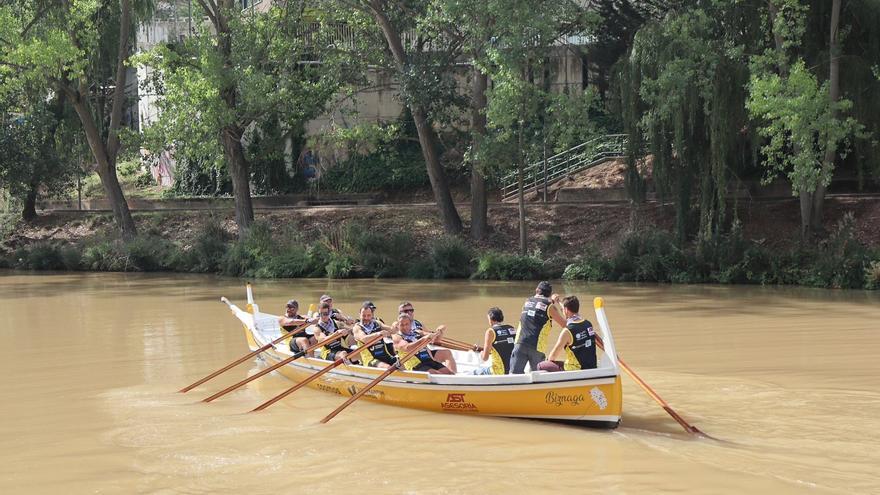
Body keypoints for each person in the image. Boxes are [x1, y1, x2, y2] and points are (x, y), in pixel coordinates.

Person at [509, 281, 567, 374]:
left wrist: (551, 301)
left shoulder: (527, 301)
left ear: (537, 290)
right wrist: (557, 302)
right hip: (537, 347)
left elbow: (537, 306)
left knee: (514, 377)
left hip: (520, 343)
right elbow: (565, 324)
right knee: (538, 378)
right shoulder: (550, 306)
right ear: (549, 293)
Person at [537, 296, 597, 372]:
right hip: (592, 366)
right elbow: (568, 310)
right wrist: (559, 302)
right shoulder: (588, 324)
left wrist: (548, 360)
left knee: (541, 365)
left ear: (565, 310)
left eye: (562, 310)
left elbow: (553, 356)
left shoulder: (567, 331)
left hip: (576, 368)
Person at [399, 301, 457, 373]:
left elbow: (434, 340)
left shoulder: (418, 323)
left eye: (411, 310)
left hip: (424, 352)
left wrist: (440, 332)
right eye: (406, 311)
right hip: (411, 357)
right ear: (400, 313)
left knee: (447, 353)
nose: (409, 312)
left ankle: (453, 374)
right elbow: (401, 345)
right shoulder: (398, 325)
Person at [473, 307, 516, 375]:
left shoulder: (490, 331)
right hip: (513, 369)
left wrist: (481, 353)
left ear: (491, 319)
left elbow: (485, 358)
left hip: (499, 371)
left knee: (473, 372)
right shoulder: (511, 328)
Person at [352, 302, 396, 368]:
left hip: (385, 356)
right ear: (359, 315)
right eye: (363, 315)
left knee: (403, 363)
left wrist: (396, 326)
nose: (366, 318)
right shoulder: (357, 328)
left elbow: (392, 330)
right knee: (387, 367)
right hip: (370, 359)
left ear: (372, 315)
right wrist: (378, 334)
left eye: (368, 315)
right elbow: (364, 339)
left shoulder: (377, 323)